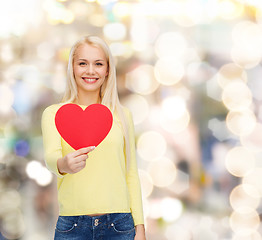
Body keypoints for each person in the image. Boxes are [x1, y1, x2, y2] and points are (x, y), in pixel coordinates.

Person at [41, 35, 146, 240]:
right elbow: (51, 159)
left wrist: (140, 227)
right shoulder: (54, 113)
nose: (90, 71)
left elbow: (131, 173)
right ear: (72, 68)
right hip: (72, 226)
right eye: (82, 63)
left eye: (98, 64)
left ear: (107, 70)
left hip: (120, 226)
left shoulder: (123, 116)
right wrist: (64, 164)